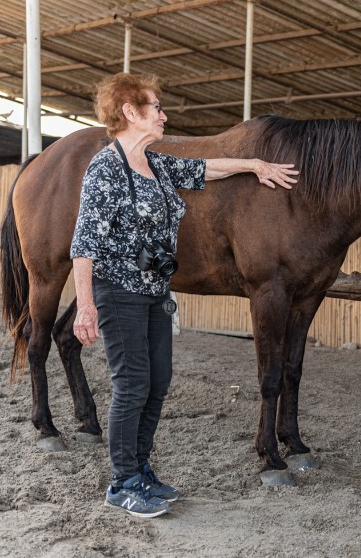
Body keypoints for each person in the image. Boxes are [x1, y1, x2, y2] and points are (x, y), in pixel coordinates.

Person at [70, 73, 298, 518]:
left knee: (157, 383)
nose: (164, 114)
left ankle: (141, 468)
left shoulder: (154, 163)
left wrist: (254, 164)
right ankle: (122, 482)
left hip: (157, 290)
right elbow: (84, 244)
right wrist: (84, 304)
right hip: (118, 292)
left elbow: (206, 168)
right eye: (156, 106)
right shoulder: (105, 169)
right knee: (132, 385)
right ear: (130, 112)